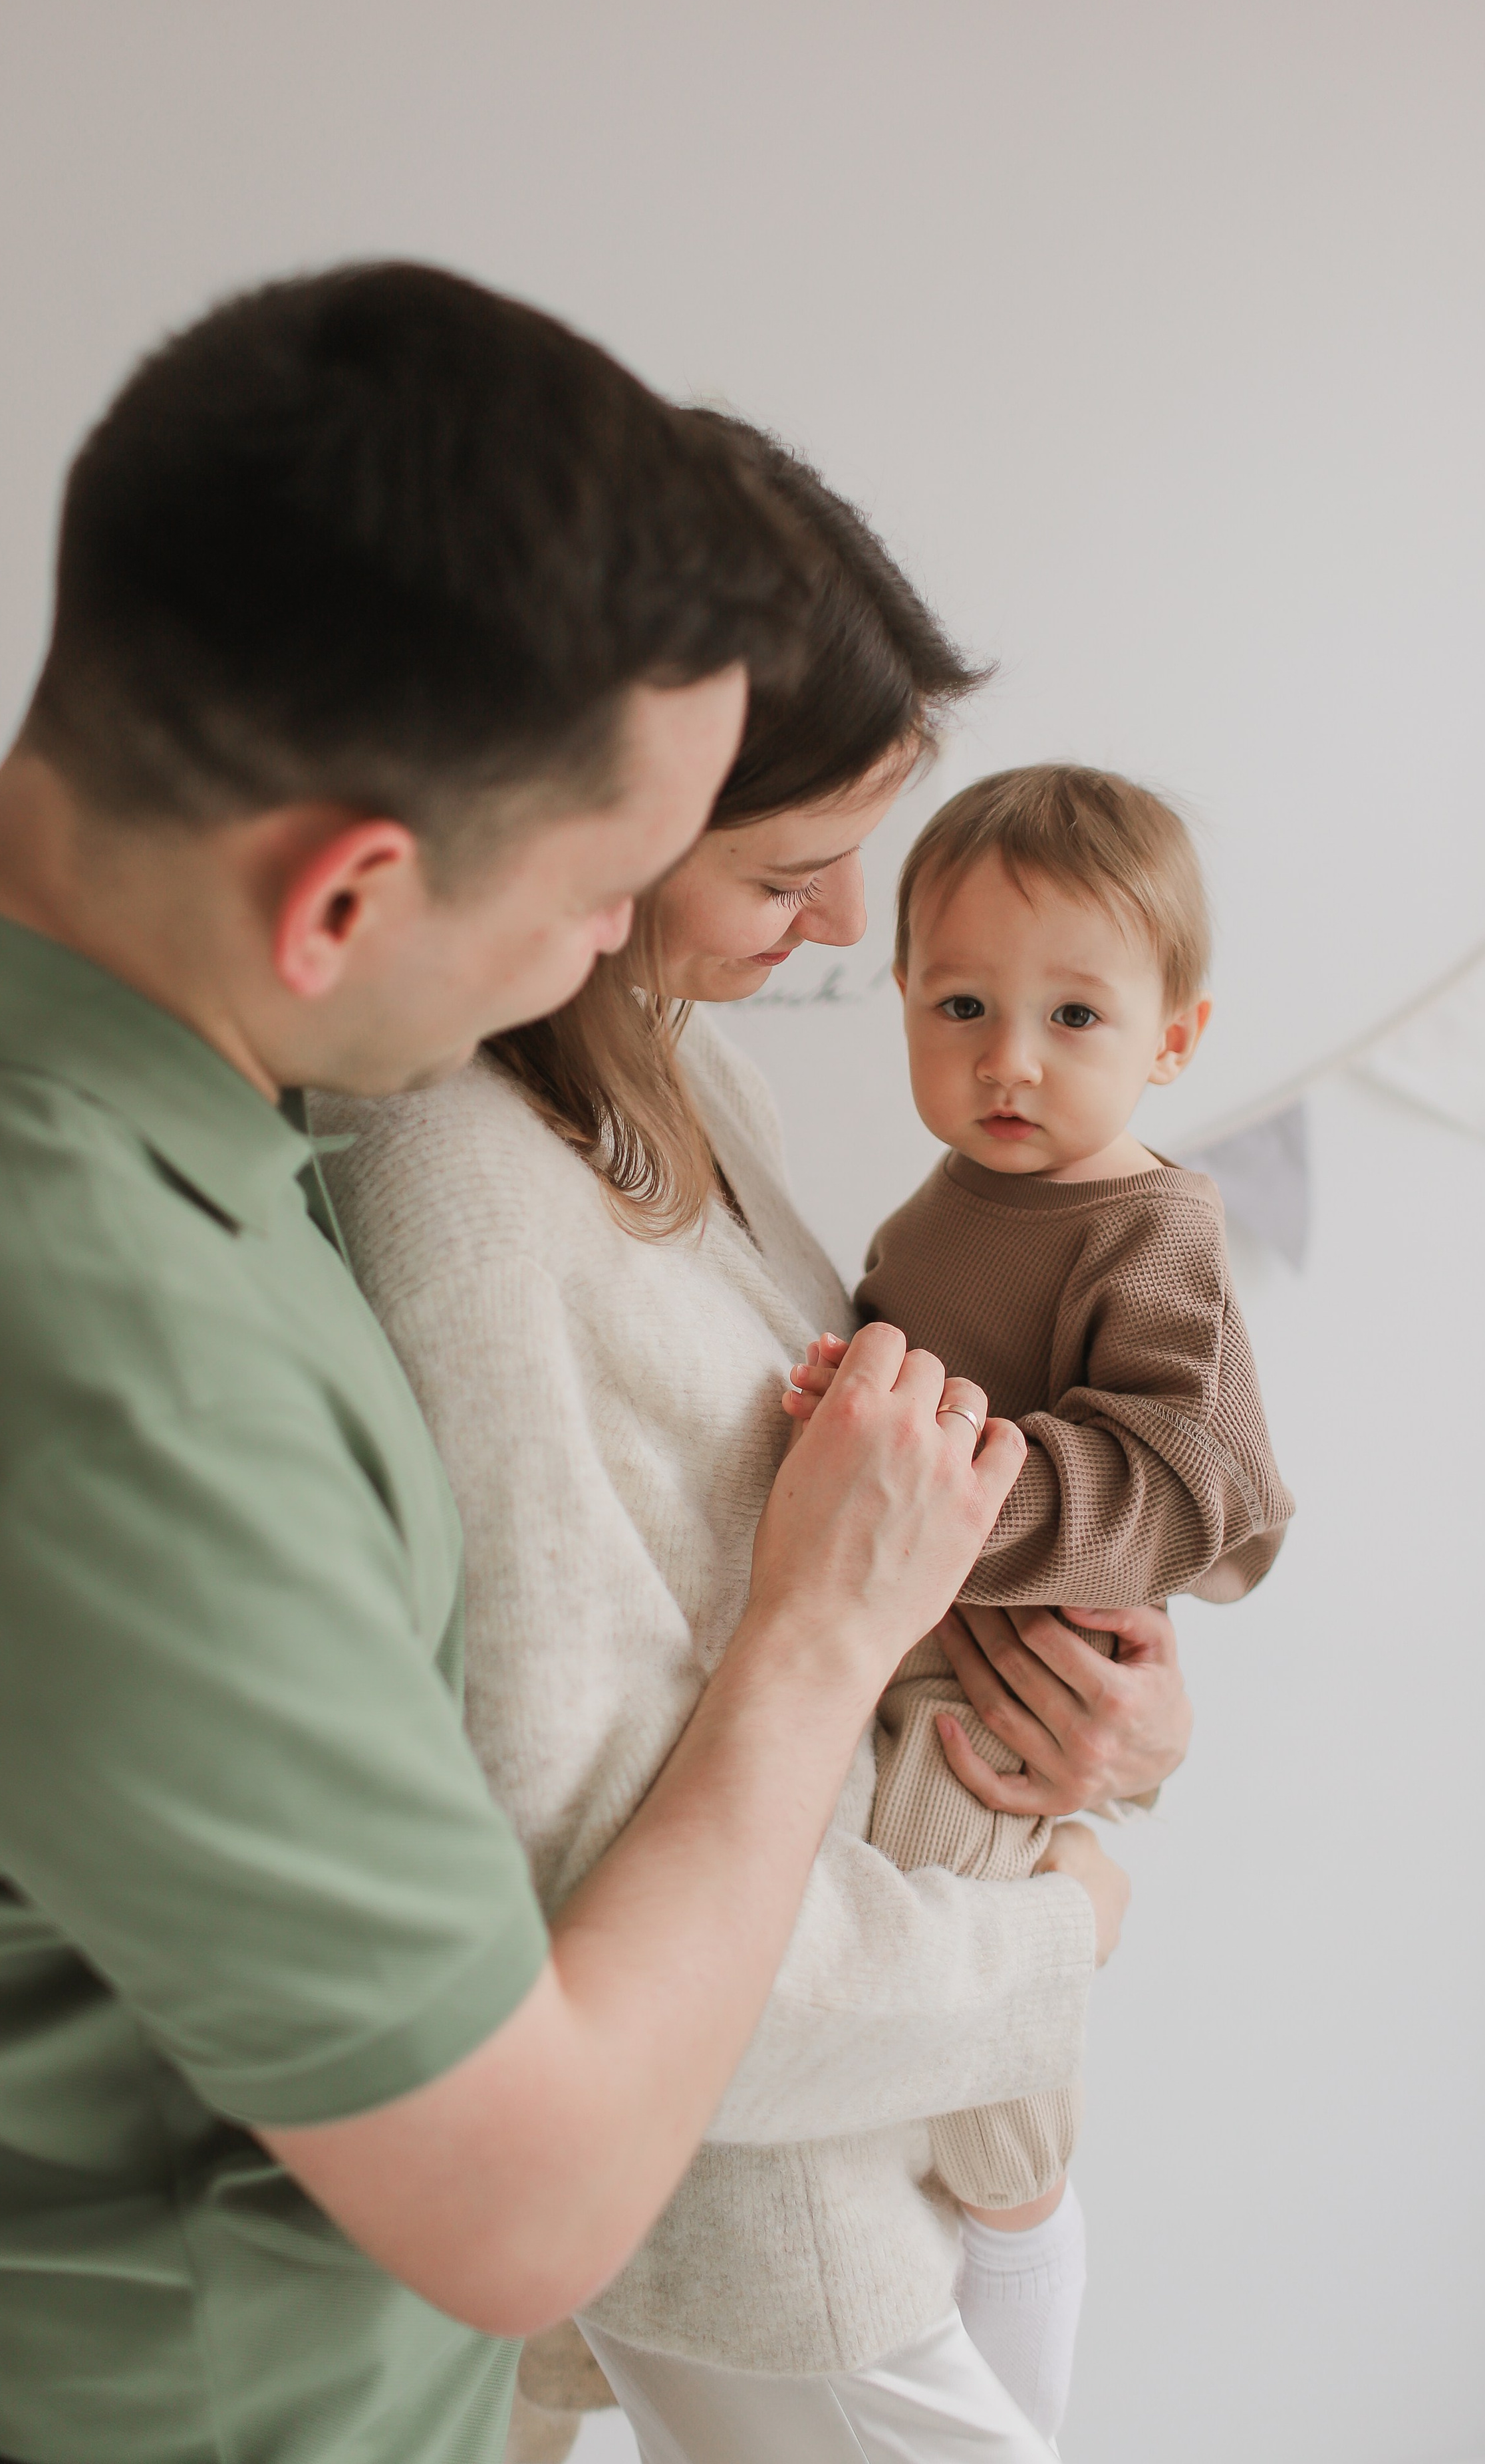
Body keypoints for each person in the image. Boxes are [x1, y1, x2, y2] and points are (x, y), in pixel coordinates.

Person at [0, 268, 1047, 2464]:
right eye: (611, 892)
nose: (623, 954)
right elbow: (524, 2208)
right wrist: (822, 1630)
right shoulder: (135, 1404)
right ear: (341, 902)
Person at [319, 424, 1192, 2464]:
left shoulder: (675, 1082)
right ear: (594, 823)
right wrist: (1059, 1929)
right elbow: (577, 1885)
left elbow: (863, 1547)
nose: (844, 931)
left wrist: (1107, 1724)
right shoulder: (451, 1180)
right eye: (788, 873)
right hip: (764, 2187)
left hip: (864, 2106)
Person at [789, 759, 1293, 2439]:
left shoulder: (1148, 1227)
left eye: (1073, 1015)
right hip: (917, 1637)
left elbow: (1191, 1482)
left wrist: (944, 1478)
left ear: (1169, 1040)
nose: (1007, 1057)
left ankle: (1020, 2276)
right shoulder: (943, 1202)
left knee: (969, 2044)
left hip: (1014, 1682)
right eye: (960, 1003)